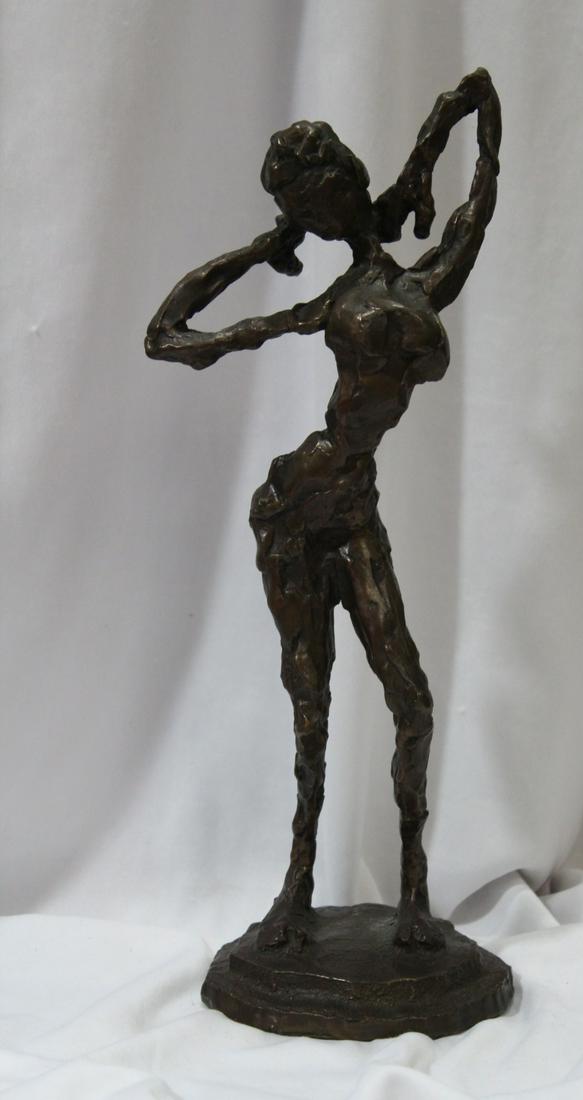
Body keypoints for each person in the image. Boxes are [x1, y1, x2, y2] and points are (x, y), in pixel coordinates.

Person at [145, 68, 501, 951]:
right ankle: (295, 892)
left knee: (411, 703)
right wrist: (260, 249)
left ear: (349, 185)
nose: (323, 212)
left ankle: (414, 901)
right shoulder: (323, 306)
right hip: (291, 514)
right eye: (304, 207)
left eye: (324, 194)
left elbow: (478, 97)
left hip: (353, 510)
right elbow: (166, 336)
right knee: (312, 705)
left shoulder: (426, 278)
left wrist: (424, 155)